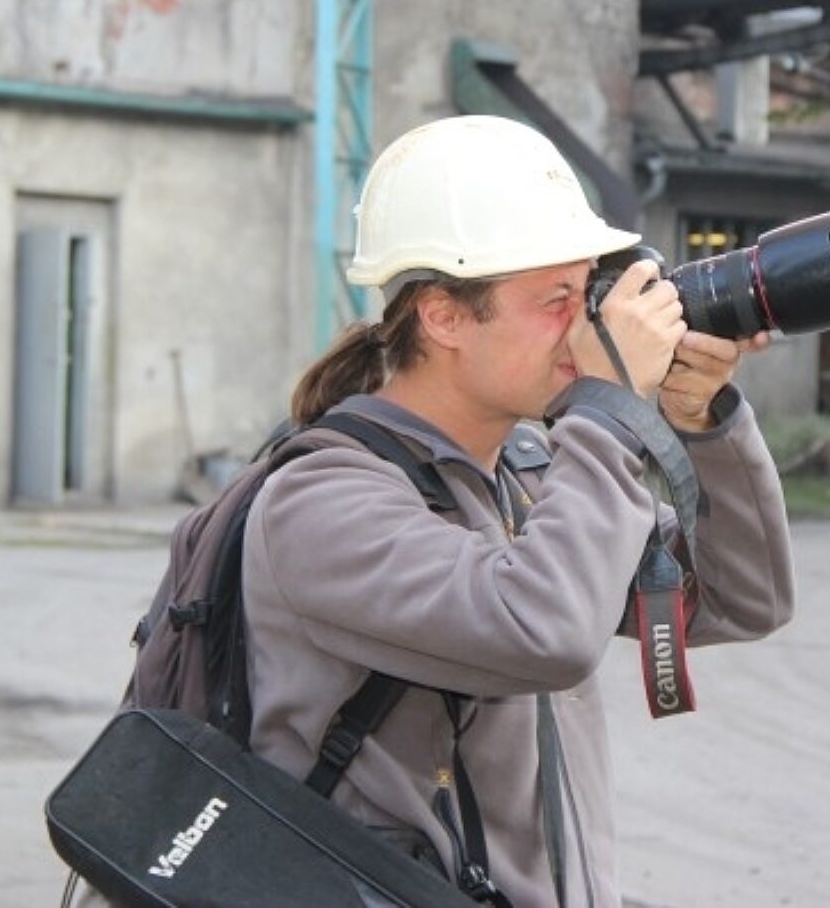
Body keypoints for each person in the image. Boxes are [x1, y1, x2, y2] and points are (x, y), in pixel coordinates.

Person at [242, 115, 794, 907]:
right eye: (554, 300)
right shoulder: (320, 502)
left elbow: (744, 600)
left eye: (586, 294)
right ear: (443, 316)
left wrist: (701, 421)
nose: (583, 327)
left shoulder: (529, 472)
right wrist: (607, 411)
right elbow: (548, 630)